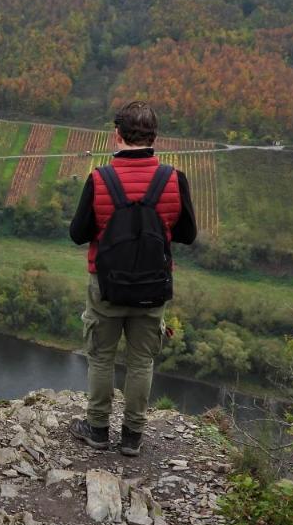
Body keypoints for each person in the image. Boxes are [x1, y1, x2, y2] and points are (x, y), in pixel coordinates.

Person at [67, 101, 197, 456]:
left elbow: (78, 233)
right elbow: (187, 234)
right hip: (153, 287)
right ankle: (132, 437)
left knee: (101, 357)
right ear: (154, 137)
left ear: (117, 135)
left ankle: (96, 430)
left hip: (106, 287)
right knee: (141, 361)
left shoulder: (99, 179)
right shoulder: (173, 179)